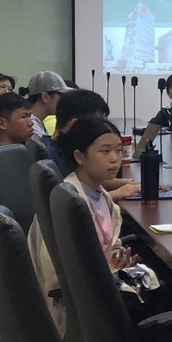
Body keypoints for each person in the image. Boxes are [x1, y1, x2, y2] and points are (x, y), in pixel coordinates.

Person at [56, 116, 140, 274]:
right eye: (105, 151)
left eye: (119, 150)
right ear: (80, 156)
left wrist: (117, 258)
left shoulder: (100, 193)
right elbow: (71, 268)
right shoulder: (70, 201)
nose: (115, 159)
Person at [46, 91, 141, 199]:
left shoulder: (55, 146)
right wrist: (116, 194)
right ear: (75, 124)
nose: (102, 128)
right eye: (97, 123)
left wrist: (131, 184)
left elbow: (92, 180)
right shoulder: (57, 159)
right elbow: (75, 200)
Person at [24, 71, 68, 138]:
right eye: (62, 96)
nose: (65, 101)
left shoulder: (37, 123)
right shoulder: (31, 127)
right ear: (45, 97)